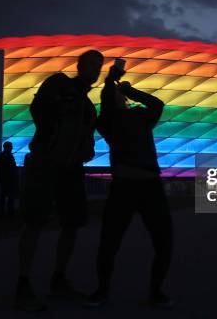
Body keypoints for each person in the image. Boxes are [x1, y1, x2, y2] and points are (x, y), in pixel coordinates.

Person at [16, 49, 104, 311]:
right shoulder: (59, 83)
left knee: (73, 223)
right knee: (34, 221)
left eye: (98, 67)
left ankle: (59, 278)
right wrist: (53, 135)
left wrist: (86, 148)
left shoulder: (89, 105)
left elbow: (88, 132)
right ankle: (23, 283)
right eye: (90, 65)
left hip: (72, 167)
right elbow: (38, 109)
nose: (94, 70)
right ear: (79, 66)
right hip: (46, 162)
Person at [85, 62, 173, 308]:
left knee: (164, 242)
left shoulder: (140, 116)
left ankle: (156, 292)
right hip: (124, 186)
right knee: (109, 242)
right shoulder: (107, 122)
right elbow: (108, 100)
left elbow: (157, 104)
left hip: (149, 185)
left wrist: (129, 91)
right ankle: (102, 290)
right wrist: (110, 83)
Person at [0, 141, 19, 217]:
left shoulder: (1, 155)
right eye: (11, 146)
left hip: (4, 179)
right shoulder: (9, 156)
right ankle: (10, 213)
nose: (12, 148)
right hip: (9, 179)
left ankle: (2, 213)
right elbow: (12, 167)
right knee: (10, 196)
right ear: (8, 147)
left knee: (3, 196)